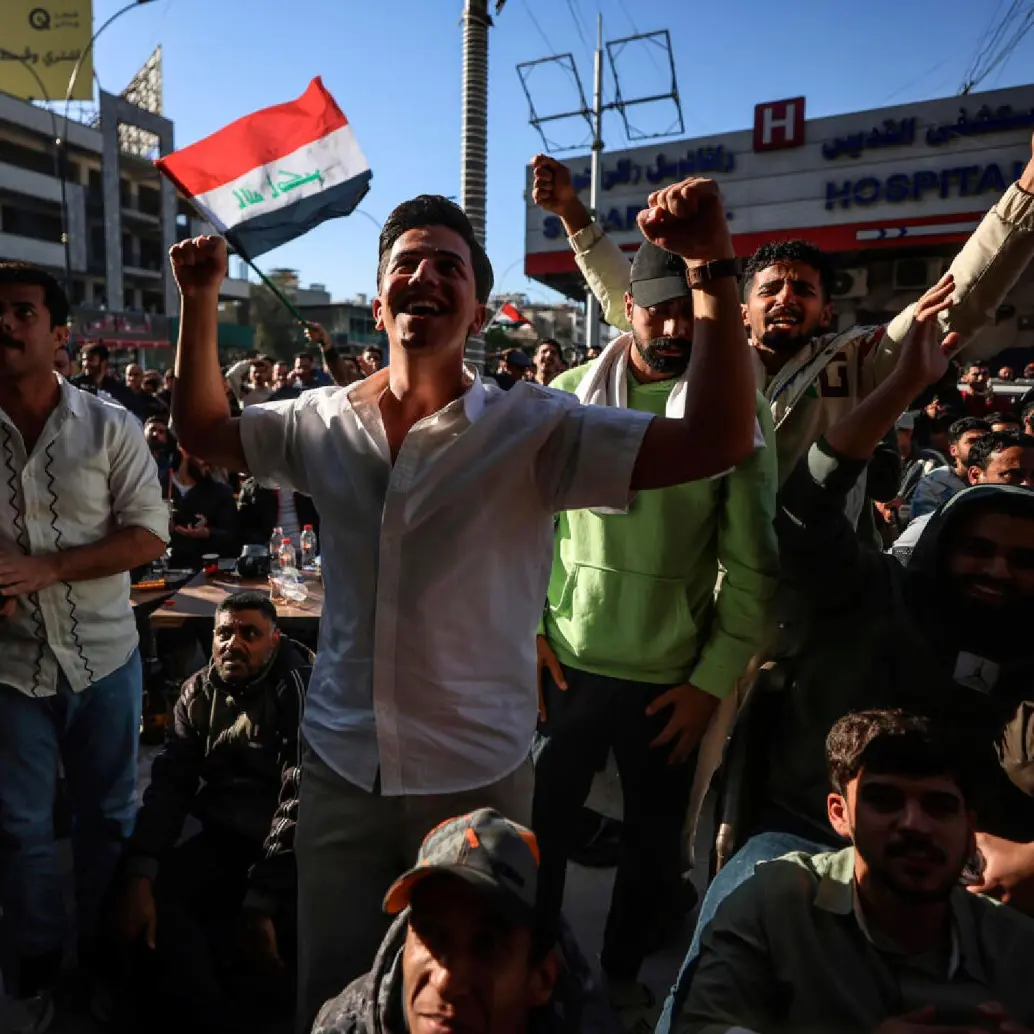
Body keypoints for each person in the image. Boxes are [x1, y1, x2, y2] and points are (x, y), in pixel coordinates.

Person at [168, 183, 759, 1029]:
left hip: (477, 776)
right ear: (380, 304)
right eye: (408, 263)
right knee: (336, 993)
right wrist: (199, 300)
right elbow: (202, 431)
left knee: (472, 1003)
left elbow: (719, 438)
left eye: (449, 266)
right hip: (340, 769)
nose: (426, 276)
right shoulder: (319, 423)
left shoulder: (537, 430)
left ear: (478, 314)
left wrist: (710, 269)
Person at [657, 280, 1034, 1034]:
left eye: (1022, 562)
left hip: (972, 876)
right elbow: (804, 512)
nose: (996, 571)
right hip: (802, 836)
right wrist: (897, 390)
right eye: (978, 550)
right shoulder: (873, 592)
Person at [532, 239, 778, 1011]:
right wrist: (529, 630)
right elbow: (526, 527)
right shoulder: (567, 397)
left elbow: (753, 563)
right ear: (626, 307)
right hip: (564, 664)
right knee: (536, 837)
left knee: (651, 849)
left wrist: (710, 682)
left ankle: (621, 983)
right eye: (658, 312)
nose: (674, 330)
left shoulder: (733, 410)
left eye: (689, 317)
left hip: (670, 683)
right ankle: (531, 973)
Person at [531, 148, 1034, 506]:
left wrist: (1026, 196)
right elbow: (634, 302)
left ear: (827, 312)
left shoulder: (857, 361)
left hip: (815, 576)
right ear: (739, 309)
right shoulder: (705, 353)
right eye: (769, 289)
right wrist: (572, 214)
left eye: (804, 291)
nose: (786, 298)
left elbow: (952, 303)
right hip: (717, 579)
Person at [0, 261, 169, 1029]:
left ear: (60, 334)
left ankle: (107, 961)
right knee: (19, 830)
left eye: (21, 311)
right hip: (10, 670)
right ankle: (37, 972)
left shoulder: (110, 425)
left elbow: (150, 535)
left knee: (107, 817)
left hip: (104, 661)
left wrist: (50, 569)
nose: (5, 324)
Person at [678, 709, 1034, 1034]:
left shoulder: (1015, 945)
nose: (914, 825)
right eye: (884, 800)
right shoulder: (775, 903)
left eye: (939, 806)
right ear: (839, 814)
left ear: (970, 828)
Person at [111, 591, 311, 1033]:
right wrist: (142, 870)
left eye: (249, 633)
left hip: (290, 851)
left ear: (274, 641)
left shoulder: (298, 686)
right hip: (226, 837)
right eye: (224, 633)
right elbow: (170, 786)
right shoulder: (197, 692)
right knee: (147, 905)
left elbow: (300, 796)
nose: (233, 643)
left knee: (278, 945)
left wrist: (262, 899)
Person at [312, 809, 620, 1034]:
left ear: (541, 979)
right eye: (431, 934)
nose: (446, 981)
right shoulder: (344, 1026)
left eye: (486, 946)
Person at [891, 430, 1034, 563]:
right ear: (975, 475)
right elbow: (899, 571)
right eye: (1013, 474)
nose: (1027, 484)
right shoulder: (932, 529)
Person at [907, 416, 991, 520]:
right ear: (953, 450)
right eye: (972, 441)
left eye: (985, 441)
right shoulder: (934, 483)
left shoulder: (1000, 478)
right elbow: (924, 524)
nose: (980, 446)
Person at [168, 447, 240, 569]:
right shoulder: (163, 485)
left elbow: (231, 535)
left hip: (209, 568)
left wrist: (208, 533)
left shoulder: (221, 493)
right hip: (172, 567)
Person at [238, 476, 320, 551]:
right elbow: (246, 530)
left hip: (311, 553)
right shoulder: (251, 488)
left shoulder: (309, 482)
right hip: (272, 556)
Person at [72, 343, 135, 408]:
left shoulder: (118, 390)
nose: (86, 364)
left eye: (91, 359)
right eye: (84, 360)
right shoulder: (75, 385)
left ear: (104, 363)